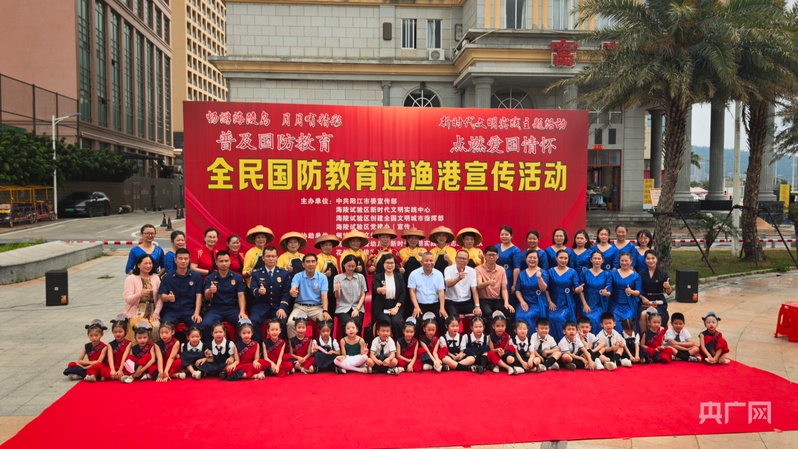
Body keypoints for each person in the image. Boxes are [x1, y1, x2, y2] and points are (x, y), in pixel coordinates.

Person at [202, 251, 247, 344]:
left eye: (226, 261)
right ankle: (209, 348)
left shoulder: (237, 277)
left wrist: (242, 311)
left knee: (245, 324)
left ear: (230, 262)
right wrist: (210, 291)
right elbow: (207, 297)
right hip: (215, 309)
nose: (224, 263)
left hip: (232, 309)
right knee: (205, 324)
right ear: (216, 263)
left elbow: (241, 295)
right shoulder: (210, 278)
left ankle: (238, 348)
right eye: (221, 261)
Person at [158, 248, 203, 338]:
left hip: (189, 311)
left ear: (189, 260)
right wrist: (168, 297)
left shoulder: (196, 276)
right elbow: (162, 296)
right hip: (172, 311)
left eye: (186, 259)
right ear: (175, 260)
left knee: (198, 326)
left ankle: (194, 347)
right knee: (165, 329)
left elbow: (199, 295)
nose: (183, 261)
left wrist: (197, 313)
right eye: (180, 258)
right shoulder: (167, 277)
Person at [249, 246, 291, 342]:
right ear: (263, 258)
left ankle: (278, 347)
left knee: (282, 320)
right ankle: (259, 346)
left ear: (277, 258)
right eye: (268, 256)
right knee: (253, 321)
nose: (271, 259)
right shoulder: (256, 273)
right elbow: (252, 289)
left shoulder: (284, 273)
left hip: (277, 306)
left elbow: (286, 293)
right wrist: (258, 291)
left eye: (273, 256)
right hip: (261, 305)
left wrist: (282, 307)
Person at [288, 253, 332, 338]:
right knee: (291, 323)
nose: (310, 264)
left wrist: (325, 311)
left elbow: (324, 295)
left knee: (328, 322)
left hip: (317, 308)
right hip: (300, 307)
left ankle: (322, 345)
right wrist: (292, 291)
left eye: (313, 261)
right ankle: (294, 344)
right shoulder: (298, 276)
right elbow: (293, 288)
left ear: (316, 263)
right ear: (303, 264)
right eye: (308, 262)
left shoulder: (322, 277)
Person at [545, 250, 583, 342]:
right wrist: (550, 302)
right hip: (553, 302)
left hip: (567, 303)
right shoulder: (550, 271)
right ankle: (552, 343)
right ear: (556, 258)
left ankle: (565, 342)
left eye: (565, 258)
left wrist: (578, 289)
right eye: (561, 258)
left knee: (560, 318)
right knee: (551, 317)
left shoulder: (572, 272)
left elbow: (576, 287)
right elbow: (546, 289)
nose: (563, 260)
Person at [123, 253, 161, 340]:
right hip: (136, 311)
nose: (148, 266)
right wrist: (140, 294)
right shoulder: (131, 278)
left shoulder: (156, 278)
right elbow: (128, 300)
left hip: (152, 310)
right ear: (138, 265)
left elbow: (160, 298)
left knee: (156, 326)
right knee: (139, 327)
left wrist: (156, 313)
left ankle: (152, 348)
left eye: (150, 263)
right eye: (145, 263)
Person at [476, 245, 513, 326]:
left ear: (497, 256)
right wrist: (488, 283)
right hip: (484, 300)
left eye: (493, 255)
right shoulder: (478, 269)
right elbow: (479, 285)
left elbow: (504, 289)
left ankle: (507, 333)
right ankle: (489, 333)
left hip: (497, 300)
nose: (491, 257)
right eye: (489, 255)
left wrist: (506, 302)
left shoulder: (501, 269)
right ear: (485, 256)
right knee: (488, 313)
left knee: (509, 311)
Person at [371, 254, 406, 339]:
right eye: (387, 263)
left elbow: (403, 293)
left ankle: (399, 343)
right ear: (383, 264)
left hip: (396, 305)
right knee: (386, 322)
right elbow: (376, 288)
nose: (390, 265)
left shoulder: (399, 277)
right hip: (381, 307)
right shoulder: (378, 276)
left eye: (392, 263)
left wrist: (396, 307)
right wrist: (380, 290)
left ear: (395, 264)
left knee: (395, 322)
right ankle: (384, 344)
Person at [638, 250, 672, 333]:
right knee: (643, 314)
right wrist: (642, 298)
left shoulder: (663, 273)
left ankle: (656, 337)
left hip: (659, 301)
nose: (650, 261)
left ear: (656, 259)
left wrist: (667, 287)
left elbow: (668, 292)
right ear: (645, 260)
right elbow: (638, 290)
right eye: (648, 258)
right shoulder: (641, 274)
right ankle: (645, 337)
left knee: (653, 316)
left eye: (653, 258)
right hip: (645, 300)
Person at [333, 254, 368, 338]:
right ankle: (345, 343)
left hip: (357, 307)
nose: (351, 268)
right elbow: (337, 297)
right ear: (343, 264)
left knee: (355, 323)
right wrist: (337, 290)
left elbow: (363, 294)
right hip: (343, 308)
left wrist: (357, 309)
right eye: (349, 266)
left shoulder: (360, 277)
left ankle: (357, 343)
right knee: (347, 323)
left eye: (353, 266)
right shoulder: (337, 278)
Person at [408, 252, 447, 325]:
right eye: (426, 261)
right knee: (416, 321)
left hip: (435, 304)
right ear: (421, 262)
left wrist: (442, 308)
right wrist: (416, 307)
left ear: (434, 262)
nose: (429, 263)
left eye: (431, 261)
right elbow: (412, 291)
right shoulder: (414, 274)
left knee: (443, 319)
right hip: (420, 305)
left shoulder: (439, 274)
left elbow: (441, 291)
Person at [515, 249, 549, 330]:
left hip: (538, 303)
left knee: (527, 316)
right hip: (525, 301)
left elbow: (543, 289)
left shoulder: (543, 272)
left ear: (538, 259)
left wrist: (540, 278)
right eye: (530, 257)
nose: (532, 259)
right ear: (526, 259)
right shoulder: (522, 274)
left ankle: (532, 336)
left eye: (534, 258)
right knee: (519, 316)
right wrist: (522, 302)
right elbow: (517, 290)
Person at [609, 252, 642, 333]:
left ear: (631, 261)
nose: (624, 263)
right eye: (622, 260)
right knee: (615, 321)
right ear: (619, 261)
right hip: (615, 304)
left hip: (629, 304)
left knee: (628, 319)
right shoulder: (612, 273)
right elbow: (609, 288)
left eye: (626, 261)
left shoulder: (636, 276)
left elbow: (638, 292)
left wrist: (631, 291)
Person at [580, 251, 612, 332]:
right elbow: (581, 290)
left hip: (601, 304)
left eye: (599, 258)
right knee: (589, 318)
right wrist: (585, 304)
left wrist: (606, 293)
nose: (597, 261)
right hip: (587, 303)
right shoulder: (584, 273)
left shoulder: (607, 274)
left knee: (597, 319)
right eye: (595, 258)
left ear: (602, 260)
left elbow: (609, 292)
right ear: (591, 260)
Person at [443, 250, 480, 319]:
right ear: (455, 259)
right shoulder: (448, 269)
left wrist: (477, 306)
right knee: (453, 317)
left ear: (468, 261)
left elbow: (474, 290)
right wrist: (458, 278)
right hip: (451, 301)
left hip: (466, 301)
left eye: (464, 259)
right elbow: (448, 284)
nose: (462, 260)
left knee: (478, 314)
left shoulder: (472, 271)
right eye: (459, 258)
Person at [315, 234, 340, 316]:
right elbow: (315, 275)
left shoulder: (334, 259)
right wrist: (325, 274)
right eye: (326, 245)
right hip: (322, 289)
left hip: (332, 288)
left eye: (330, 245)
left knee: (332, 310)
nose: (328, 247)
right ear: (321, 246)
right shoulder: (317, 258)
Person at [100, 316, 131, 381]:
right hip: (114, 366)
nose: (117, 334)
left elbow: (125, 357)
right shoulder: (110, 344)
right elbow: (110, 357)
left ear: (125, 331)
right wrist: (112, 370)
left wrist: (120, 369)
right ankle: (119, 377)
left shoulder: (128, 343)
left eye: (120, 332)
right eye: (115, 332)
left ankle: (113, 377)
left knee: (131, 369)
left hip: (123, 366)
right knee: (102, 370)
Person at [496, 226, 520, 294]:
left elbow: (516, 268)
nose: (504, 236)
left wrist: (514, 284)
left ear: (511, 236)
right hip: (496, 277)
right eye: (502, 234)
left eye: (506, 234)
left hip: (509, 278)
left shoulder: (515, 250)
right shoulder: (496, 247)